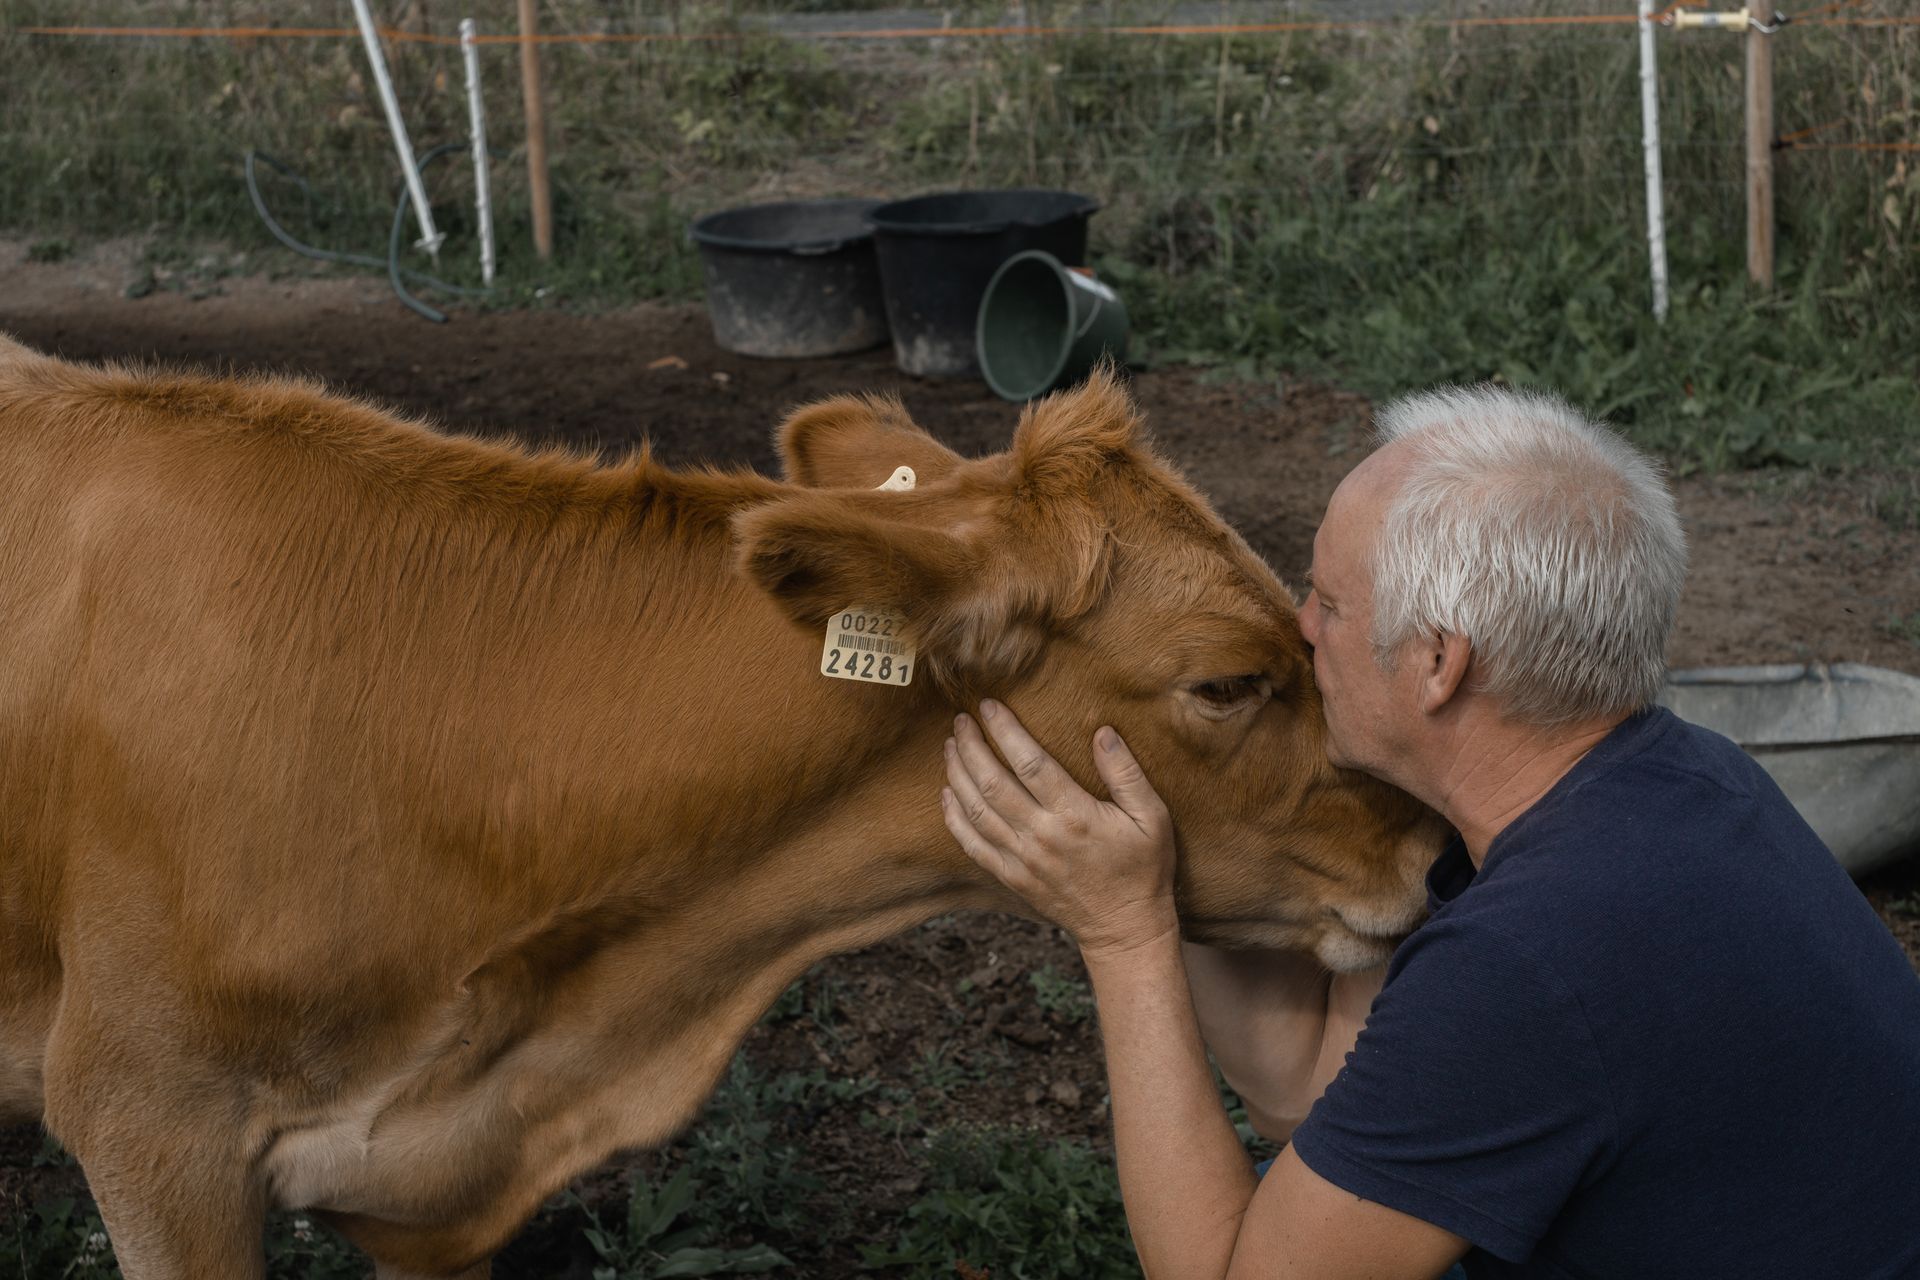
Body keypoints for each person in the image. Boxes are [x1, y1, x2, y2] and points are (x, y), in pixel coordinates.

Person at [937, 384, 1920, 1279]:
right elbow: (1307, 1097)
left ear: (1439, 661)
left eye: (1324, 598)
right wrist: (1185, 785)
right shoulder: (1683, 777)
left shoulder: (1528, 959)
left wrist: (1122, 933)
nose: (1297, 626)